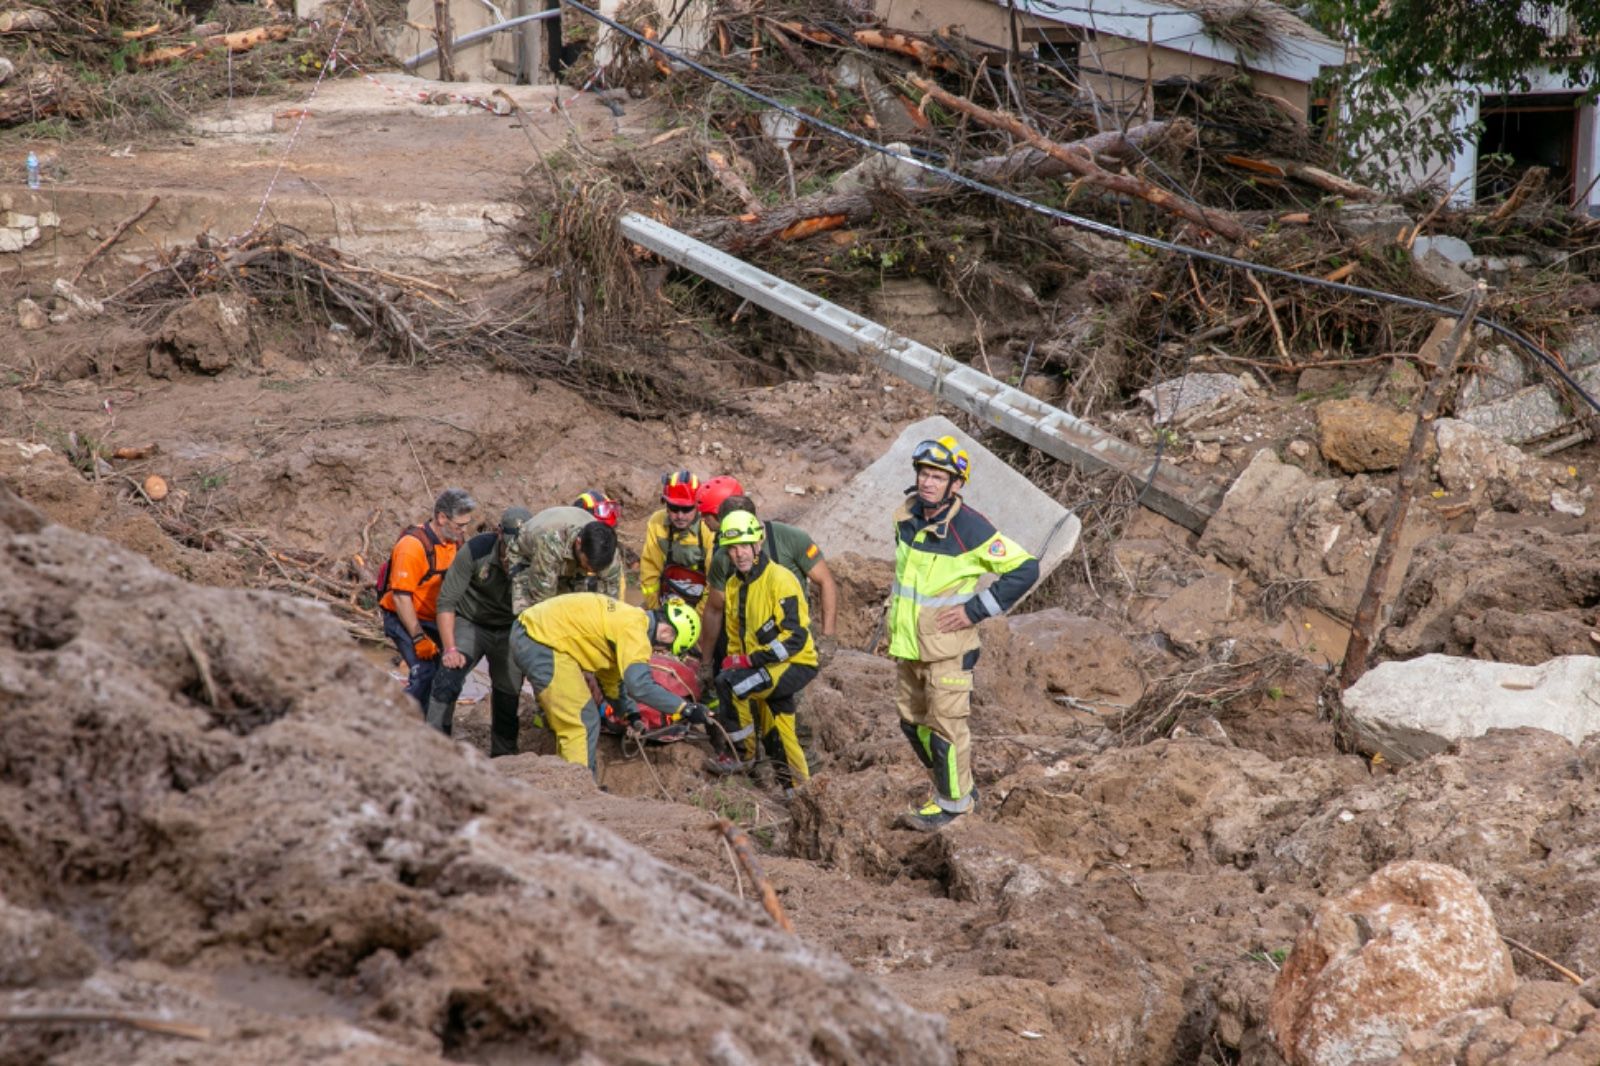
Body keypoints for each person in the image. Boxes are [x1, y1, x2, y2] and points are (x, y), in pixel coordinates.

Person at [890, 436, 1038, 832]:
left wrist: (975, 610)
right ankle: (956, 789)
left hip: (949, 652)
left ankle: (953, 806)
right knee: (912, 724)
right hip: (910, 647)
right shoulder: (906, 519)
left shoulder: (970, 528)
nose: (928, 482)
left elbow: (1025, 569)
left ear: (956, 484)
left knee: (945, 730)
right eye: (924, 473)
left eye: (938, 477)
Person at [509, 592, 708, 773]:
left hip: (535, 632)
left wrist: (630, 714)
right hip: (539, 641)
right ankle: (581, 793)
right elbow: (640, 686)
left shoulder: (629, 620)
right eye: (667, 648)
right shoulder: (636, 633)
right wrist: (685, 708)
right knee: (582, 722)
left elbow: (611, 680)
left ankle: (571, 781)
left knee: (578, 719)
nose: (660, 652)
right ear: (666, 634)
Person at [707, 510, 819, 791]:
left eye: (745, 546)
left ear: (758, 545)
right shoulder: (733, 585)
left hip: (795, 662)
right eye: (732, 549)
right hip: (765, 666)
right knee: (779, 732)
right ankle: (797, 791)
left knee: (731, 687)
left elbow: (795, 637)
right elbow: (734, 634)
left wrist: (751, 661)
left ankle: (741, 756)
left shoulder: (779, 579)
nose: (739, 554)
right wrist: (735, 661)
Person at [425, 506, 532, 757]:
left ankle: (504, 756)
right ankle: (434, 748)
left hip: (509, 627)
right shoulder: (475, 551)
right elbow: (446, 602)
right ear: (498, 534)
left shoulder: (538, 557)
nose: (512, 557)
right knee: (448, 677)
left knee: (509, 689)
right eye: (509, 549)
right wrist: (450, 649)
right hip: (470, 621)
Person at [701, 492, 837, 662]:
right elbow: (714, 610)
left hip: (793, 638)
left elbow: (826, 581)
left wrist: (828, 637)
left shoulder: (791, 539)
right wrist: (706, 662)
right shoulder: (723, 559)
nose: (738, 553)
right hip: (751, 647)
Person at [378, 488, 476, 709]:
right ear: (442, 517)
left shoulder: (454, 542)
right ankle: (402, 725)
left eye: (466, 525)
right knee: (424, 673)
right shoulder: (412, 547)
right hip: (403, 616)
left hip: (435, 616)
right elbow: (402, 598)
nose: (464, 530)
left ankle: (433, 725)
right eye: (460, 525)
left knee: (448, 673)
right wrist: (418, 637)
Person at [506, 504, 623, 616]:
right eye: (588, 565)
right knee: (532, 616)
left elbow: (611, 602)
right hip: (528, 556)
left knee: (578, 610)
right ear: (578, 543)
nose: (590, 571)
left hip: (570, 560)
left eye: (596, 569)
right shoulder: (551, 542)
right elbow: (542, 600)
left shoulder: (608, 552)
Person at [638, 470, 715, 611]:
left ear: (698, 506)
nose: (680, 516)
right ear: (666, 505)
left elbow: (714, 584)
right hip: (667, 600)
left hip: (702, 603)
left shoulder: (708, 527)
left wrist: (697, 618)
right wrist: (656, 610)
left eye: (686, 509)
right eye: (674, 508)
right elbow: (649, 571)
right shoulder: (657, 522)